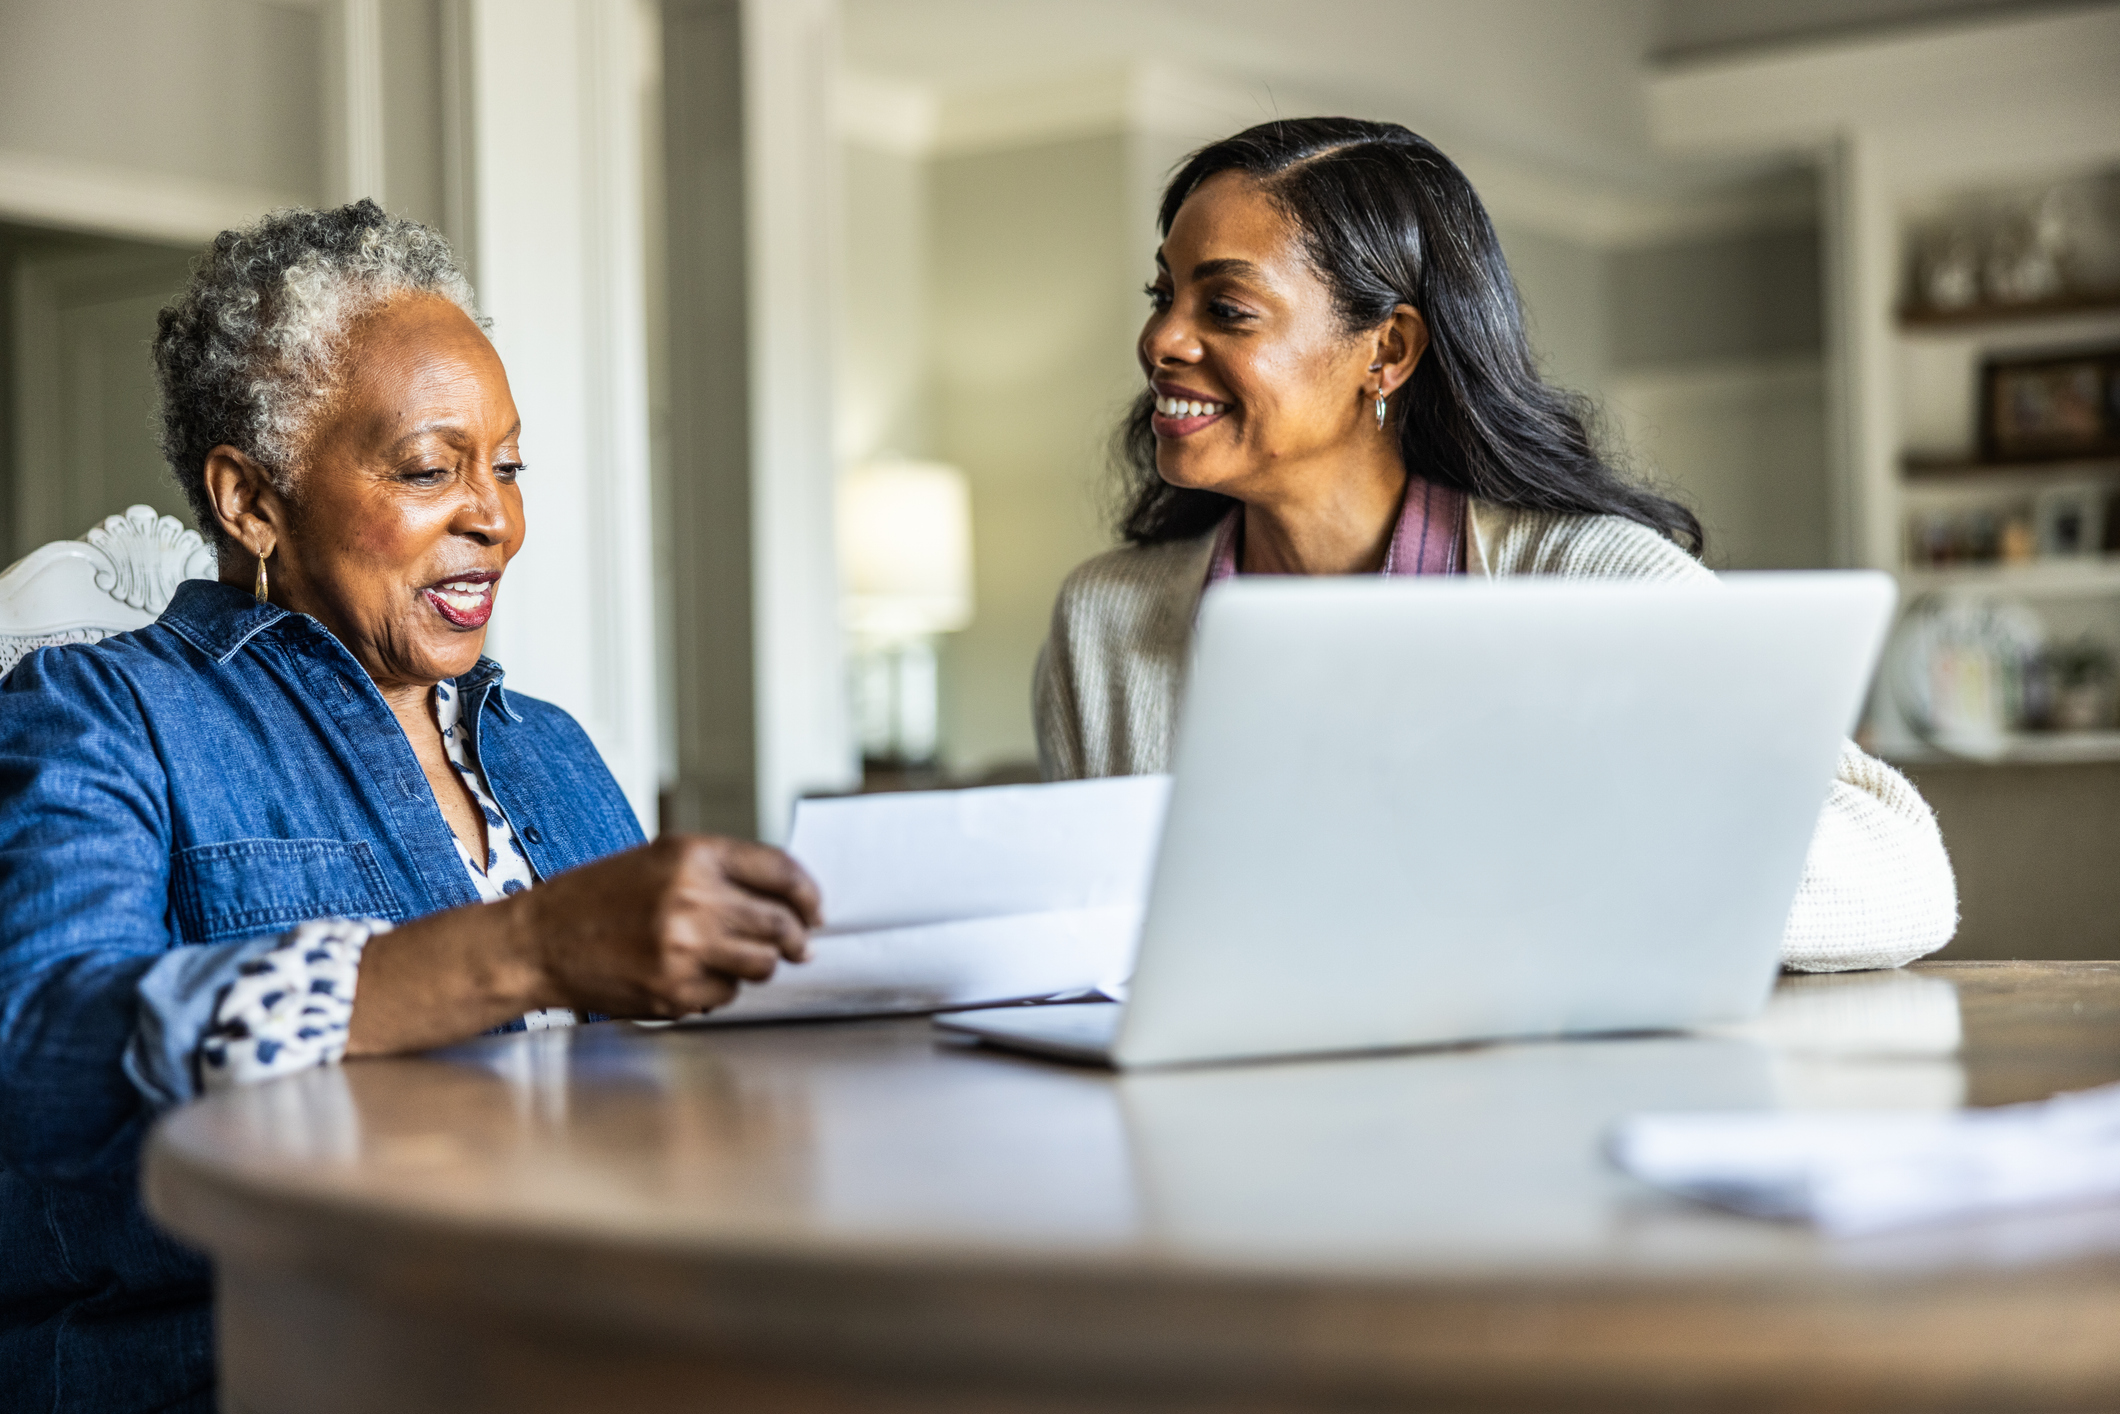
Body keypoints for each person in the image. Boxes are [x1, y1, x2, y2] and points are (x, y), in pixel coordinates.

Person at [0, 201, 821, 1413]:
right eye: (432, 469)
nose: (495, 515)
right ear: (250, 503)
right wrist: (526, 949)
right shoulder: (99, 712)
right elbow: (42, 1050)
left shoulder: (547, 750)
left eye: (507, 465)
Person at [1035, 118, 1957, 972]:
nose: (1161, 337)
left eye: (1226, 309)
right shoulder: (1104, 624)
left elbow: (1900, 875)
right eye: (1165, 295)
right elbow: (1084, 945)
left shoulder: (1597, 585)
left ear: (1386, 352)